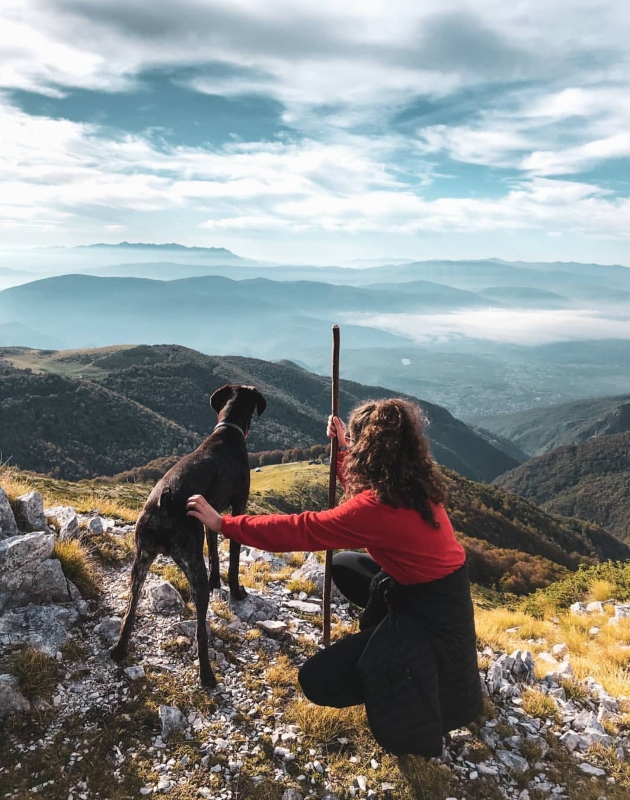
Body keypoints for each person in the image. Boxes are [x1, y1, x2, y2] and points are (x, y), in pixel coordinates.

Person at [186, 399, 483, 757]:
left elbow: (304, 529)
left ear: (369, 451)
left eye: (357, 444)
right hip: (435, 592)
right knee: (343, 564)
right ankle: (386, 638)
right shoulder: (410, 484)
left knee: (317, 681)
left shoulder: (379, 507)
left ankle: (393, 680)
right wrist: (342, 448)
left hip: (430, 617)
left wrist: (224, 524)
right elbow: (365, 502)